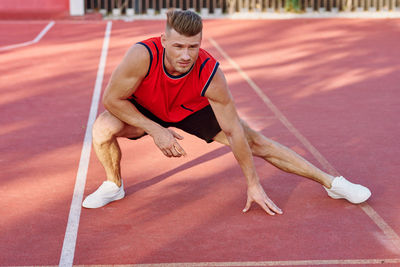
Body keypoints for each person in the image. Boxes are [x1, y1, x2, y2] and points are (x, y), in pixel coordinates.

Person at [82, 10, 371, 215]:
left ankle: (332, 183)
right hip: (146, 108)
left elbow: (234, 132)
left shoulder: (211, 74)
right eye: (179, 46)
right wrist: (156, 129)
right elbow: (112, 99)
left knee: (255, 140)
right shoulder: (142, 55)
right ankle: (113, 185)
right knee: (102, 128)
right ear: (164, 40)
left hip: (190, 109)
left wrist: (253, 185)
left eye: (193, 47)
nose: (185, 55)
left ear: (201, 43)